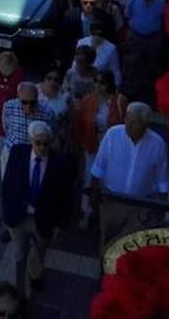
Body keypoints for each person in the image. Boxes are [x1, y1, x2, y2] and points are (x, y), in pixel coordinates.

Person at [1, 121, 73, 294]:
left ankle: (34, 276)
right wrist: (6, 213)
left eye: (45, 143)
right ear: (31, 140)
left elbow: (66, 197)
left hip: (44, 219)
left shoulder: (61, 163)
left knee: (38, 253)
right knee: (19, 253)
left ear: (51, 141)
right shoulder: (18, 153)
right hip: (18, 217)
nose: (42, 147)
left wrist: (61, 224)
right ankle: (18, 288)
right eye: (37, 143)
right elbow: (7, 184)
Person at [89, 102, 168, 240]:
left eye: (135, 123)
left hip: (139, 206)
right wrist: (94, 198)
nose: (128, 126)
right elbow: (98, 169)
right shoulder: (112, 135)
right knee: (107, 243)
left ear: (145, 125)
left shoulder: (157, 144)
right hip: (112, 201)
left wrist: (160, 212)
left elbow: (162, 181)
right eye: (127, 119)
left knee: (129, 246)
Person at [71, 70, 127, 224]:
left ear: (109, 84)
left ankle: (105, 212)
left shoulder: (119, 101)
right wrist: (78, 145)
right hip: (92, 146)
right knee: (90, 179)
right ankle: (87, 212)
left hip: (112, 149)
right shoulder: (88, 100)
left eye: (101, 82)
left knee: (109, 181)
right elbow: (80, 125)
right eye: (95, 81)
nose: (97, 85)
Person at [122, 0, 167, 104]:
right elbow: (127, 14)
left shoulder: (161, 2)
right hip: (135, 35)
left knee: (149, 66)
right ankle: (128, 92)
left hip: (152, 38)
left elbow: (163, 20)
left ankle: (145, 95)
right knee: (131, 64)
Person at [0, 82, 53, 177]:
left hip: (35, 154)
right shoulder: (9, 106)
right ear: (18, 98)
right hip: (11, 151)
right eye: (24, 102)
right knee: (8, 180)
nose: (28, 107)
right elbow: (6, 127)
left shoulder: (47, 112)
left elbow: (50, 134)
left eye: (33, 102)